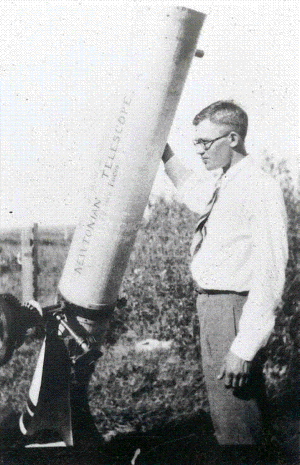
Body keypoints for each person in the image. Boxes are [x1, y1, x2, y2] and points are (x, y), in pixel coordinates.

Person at [162, 101, 288, 463]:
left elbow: (270, 274)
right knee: (230, 419)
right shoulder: (226, 181)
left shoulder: (258, 187)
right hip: (215, 310)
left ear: (232, 138)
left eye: (205, 142)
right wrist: (165, 154)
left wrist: (243, 348)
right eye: (195, 143)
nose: (199, 150)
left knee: (240, 428)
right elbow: (192, 191)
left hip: (234, 312)